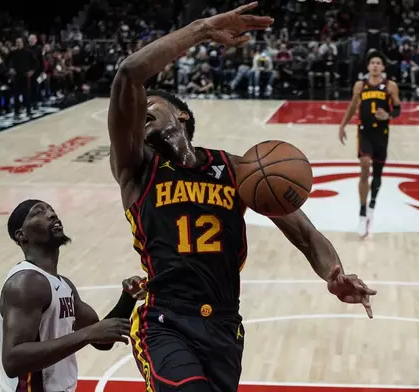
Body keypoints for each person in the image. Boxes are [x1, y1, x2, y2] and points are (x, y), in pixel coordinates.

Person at [106, 3, 377, 391]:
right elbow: (128, 75)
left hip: (223, 324)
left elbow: (304, 233)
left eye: (152, 110)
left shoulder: (237, 170)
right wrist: (201, 29)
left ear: (181, 116)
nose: (141, 118)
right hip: (164, 320)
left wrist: (333, 273)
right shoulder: (136, 169)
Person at [0, 199, 145, 392]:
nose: (52, 214)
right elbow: (13, 361)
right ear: (21, 235)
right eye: (38, 213)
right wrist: (87, 334)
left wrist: (128, 297)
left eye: (51, 209)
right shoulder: (26, 282)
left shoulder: (63, 285)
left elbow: (102, 340)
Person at [338, 49, 401, 238]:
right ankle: (362, 210)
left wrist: (388, 115)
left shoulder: (390, 86)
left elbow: (398, 109)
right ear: (368, 66)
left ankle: (372, 205)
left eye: (378, 63)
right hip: (364, 131)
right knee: (365, 166)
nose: (375, 66)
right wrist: (342, 125)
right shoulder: (360, 85)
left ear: (382, 67)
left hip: (382, 133)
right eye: (372, 63)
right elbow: (352, 106)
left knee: (378, 174)